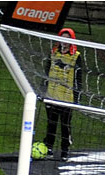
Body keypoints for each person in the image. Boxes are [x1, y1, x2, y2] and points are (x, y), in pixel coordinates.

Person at [42, 28, 83, 161]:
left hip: (67, 97)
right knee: (51, 124)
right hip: (51, 95)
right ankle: (48, 148)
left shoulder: (76, 56)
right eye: (62, 38)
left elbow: (78, 77)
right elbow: (46, 72)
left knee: (65, 125)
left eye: (67, 39)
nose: (64, 42)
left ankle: (65, 150)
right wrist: (42, 90)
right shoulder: (53, 53)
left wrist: (77, 97)